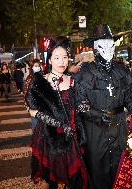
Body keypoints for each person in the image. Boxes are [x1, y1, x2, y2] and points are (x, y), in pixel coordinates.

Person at [75, 24, 132, 189]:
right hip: (96, 130)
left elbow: (128, 95)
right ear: (95, 47)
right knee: (98, 167)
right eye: (103, 44)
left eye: (111, 43)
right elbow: (79, 103)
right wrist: (97, 115)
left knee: (121, 164)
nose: (108, 48)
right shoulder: (85, 73)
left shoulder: (121, 70)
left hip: (119, 126)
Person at [25, 36, 87, 189]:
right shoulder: (40, 82)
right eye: (57, 57)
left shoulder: (73, 81)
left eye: (65, 57)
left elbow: (78, 106)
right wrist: (57, 123)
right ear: (50, 60)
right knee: (49, 180)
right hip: (49, 137)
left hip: (72, 136)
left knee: (73, 179)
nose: (62, 61)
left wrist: (84, 107)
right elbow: (32, 110)